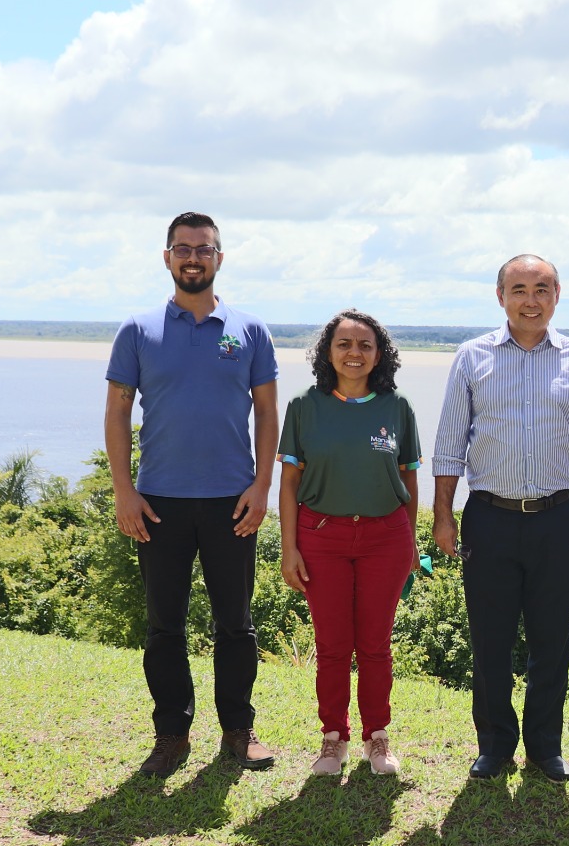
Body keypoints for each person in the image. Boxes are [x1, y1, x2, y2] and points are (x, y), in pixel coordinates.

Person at [104, 212, 279, 777]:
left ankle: (237, 731)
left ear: (219, 258)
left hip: (232, 501)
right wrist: (123, 490)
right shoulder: (137, 329)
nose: (193, 258)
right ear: (167, 257)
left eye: (204, 249)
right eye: (183, 249)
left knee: (236, 624)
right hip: (159, 502)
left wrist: (261, 487)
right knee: (164, 627)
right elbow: (117, 409)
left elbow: (268, 412)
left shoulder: (249, 330)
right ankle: (171, 736)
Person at [431, 254, 569, 783]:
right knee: (489, 641)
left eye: (541, 289)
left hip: (558, 520)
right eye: (519, 289)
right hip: (488, 518)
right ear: (500, 296)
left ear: (557, 295)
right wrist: (443, 514)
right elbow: (449, 444)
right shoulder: (472, 357)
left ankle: (545, 748)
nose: (530, 300)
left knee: (551, 642)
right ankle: (494, 746)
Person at [277, 309, 420, 777]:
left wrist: (409, 539)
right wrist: (289, 547)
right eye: (344, 344)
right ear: (328, 352)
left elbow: (409, 478)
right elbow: (289, 484)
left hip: (386, 537)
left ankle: (377, 737)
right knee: (334, 644)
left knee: (375, 645)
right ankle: (332, 739)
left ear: (380, 354)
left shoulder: (396, 408)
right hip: (322, 538)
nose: (354, 353)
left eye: (365, 345)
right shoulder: (304, 407)